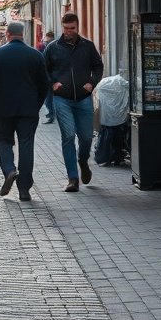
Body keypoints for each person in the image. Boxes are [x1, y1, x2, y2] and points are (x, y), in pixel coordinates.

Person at [0, 21, 49, 201]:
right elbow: (44, 84)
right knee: (26, 145)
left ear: (7, 34)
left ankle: (9, 169)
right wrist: (37, 104)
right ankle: (24, 189)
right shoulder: (36, 55)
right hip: (28, 109)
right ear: (23, 34)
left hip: (4, 108)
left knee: (3, 140)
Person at [44, 13, 104, 191]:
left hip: (84, 99)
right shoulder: (53, 47)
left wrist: (92, 83)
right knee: (68, 136)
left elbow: (98, 66)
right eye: (66, 28)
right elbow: (43, 69)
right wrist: (53, 84)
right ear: (62, 26)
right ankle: (72, 178)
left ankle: (83, 160)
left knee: (86, 137)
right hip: (62, 99)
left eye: (72, 28)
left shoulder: (87, 46)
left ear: (78, 27)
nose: (69, 31)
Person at [38, 31, 56, 123]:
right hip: (54, 78)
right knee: (51, 98)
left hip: (50, 78)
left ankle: (51, 115)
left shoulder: (47, 48)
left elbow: (42, 62)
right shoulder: (53, 47)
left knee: (49, 99)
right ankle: (51, 115)